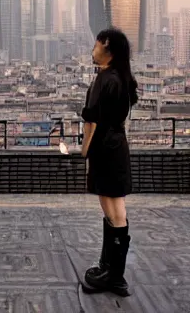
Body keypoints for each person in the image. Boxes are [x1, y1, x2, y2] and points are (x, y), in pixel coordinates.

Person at [80, 27, 138, 297]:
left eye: (95, 44)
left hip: (104, 147)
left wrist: (84, 153)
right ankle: (113, 272)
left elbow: (91, 121)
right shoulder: (122, 78)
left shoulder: (104, 80)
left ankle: (112, 275)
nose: (92, 49)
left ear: (105, 45)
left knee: (110, 209)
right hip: (118, 146)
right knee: (118, 211)